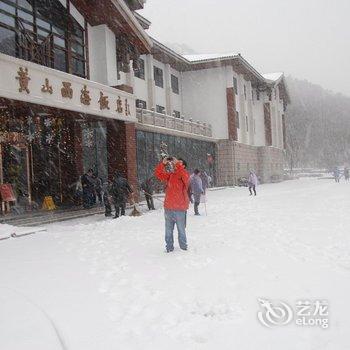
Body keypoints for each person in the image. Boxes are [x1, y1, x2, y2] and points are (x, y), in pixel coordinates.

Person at [155, 157, 190, 253]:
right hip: (168, 208)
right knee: (168, 231)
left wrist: (178, 165)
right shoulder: (170, 175)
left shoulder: (185, 174)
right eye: (176, 163)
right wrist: (163, 163)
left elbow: (186, 179)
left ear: (184, 166)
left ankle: (183, 248)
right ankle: (169, 248)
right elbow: (158, 174)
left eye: (180, 163)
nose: (176, 164)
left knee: (181, 230)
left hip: (180, 208)